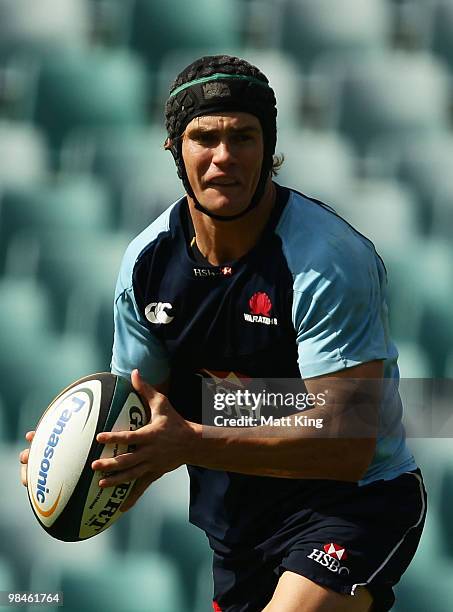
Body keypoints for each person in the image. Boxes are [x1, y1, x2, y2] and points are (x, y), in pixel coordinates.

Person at [21, 55, 426, 612]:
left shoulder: (326, 260)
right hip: (238, 523)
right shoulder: (147, 264)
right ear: (174, 149)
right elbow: (141, 413)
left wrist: (191, 440)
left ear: (269, 148)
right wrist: (86, 461)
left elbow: (349, 441)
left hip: (355, 503)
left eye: (243, 137)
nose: (224, 157)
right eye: (204, 137)